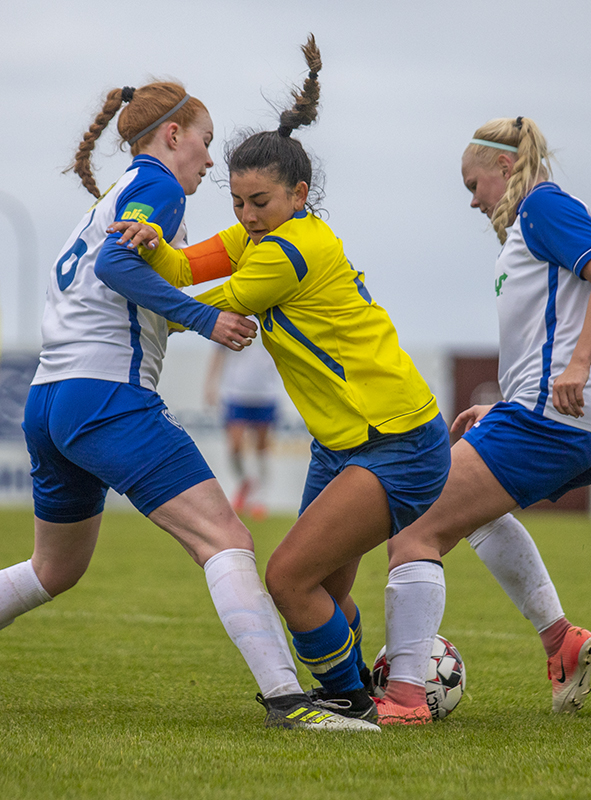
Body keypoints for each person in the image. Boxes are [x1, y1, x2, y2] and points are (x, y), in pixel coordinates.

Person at [0, 80, 376, 732]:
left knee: (54, 568)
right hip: (108, 395)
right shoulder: (158, 185)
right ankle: (289, 703)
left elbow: (141, 263)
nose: (210, 161)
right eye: (205, 142)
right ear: (172, 136)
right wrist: (205, 320)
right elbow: (116, 266)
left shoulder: (109, 198)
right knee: (226, 539)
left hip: (50, 402)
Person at [111, 36, 451, 726]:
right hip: (346, 443)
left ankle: (353, 706)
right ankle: (376, 693)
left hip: (396, 441)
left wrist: (121, 287)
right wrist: (149, 236)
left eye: (259, 201)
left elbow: (186, 311)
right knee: (320, 589)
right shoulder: (261, 238)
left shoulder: (288, 252)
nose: (245, 216)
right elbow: (179, 273)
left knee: (287, 579)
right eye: (235, 201)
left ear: (298, 193)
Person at [375, 116, 591, 722]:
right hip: (576, 421)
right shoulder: (529, 227)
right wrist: (507, 403)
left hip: (561, 416)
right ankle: (561, 643)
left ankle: (407, 698)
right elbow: (553, 324)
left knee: (414, 524)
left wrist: (576, 366)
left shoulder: (543, 205)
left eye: (474, 183)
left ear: (503, 166)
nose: (471, 199)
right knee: (475, 517)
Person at [203, 341, 282, 519]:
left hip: (266, 394)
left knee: (262, 447)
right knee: (235, 446)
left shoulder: (272, 317)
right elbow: (219, 351)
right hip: (236, 393)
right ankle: (244, 481)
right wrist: (210, 384)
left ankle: (260, 499)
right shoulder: (236, 314)